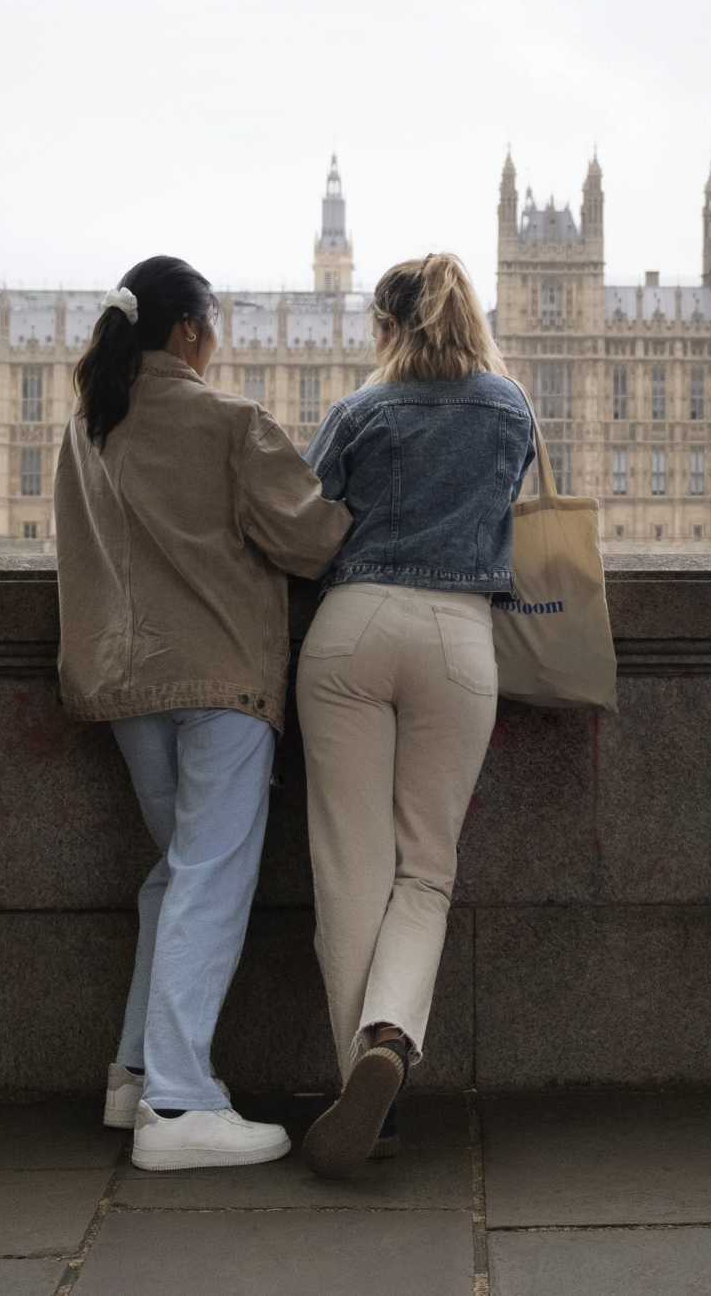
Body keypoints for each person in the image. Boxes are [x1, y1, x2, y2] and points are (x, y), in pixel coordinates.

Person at [56, 255, 353, 1172]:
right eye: (214, 327)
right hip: (219, 680)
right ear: (190, 330)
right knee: (209, 878)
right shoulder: (228, 421)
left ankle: (136, 1073)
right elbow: (313, 537)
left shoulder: (87, 425)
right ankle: (181, 1106)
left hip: (124, 683)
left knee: (173, 873)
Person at [295, 252, 533, 1176]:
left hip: (352, 631)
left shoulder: (360, 410)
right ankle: (389, 1038)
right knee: (425, 870)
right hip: (458, 640)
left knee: (349, 871)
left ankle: (365, 1091)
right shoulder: (510, 406)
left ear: (389, 327)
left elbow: (307, 523)